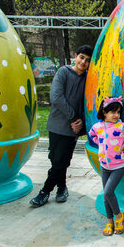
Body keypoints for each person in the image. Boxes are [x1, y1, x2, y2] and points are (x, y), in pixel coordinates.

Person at [30, 45, 93, 207]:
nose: (83, 62)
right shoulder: (64, 72)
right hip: (57, 125)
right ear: (75, 56)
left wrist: (82, 124)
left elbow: (89, 103)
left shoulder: (88, 79)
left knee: (61, 161)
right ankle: (62, 187)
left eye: (87, 60)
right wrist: (73, 118)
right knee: (55, 160)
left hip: (73, 130)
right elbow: (56, 97)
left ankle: (44, 192)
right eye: (81, 57)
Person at [88, 96, 124, 236]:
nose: (116, 115)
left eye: (118, 112)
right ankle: (110, 221)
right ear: (104, 112)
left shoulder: (121, 127)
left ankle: (118, 216)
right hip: (104, 165)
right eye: (113, 112)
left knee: (107, 192)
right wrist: (100, 144)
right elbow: (91, 135)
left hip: (119, 165)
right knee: (107, 195)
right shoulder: (98, 126)